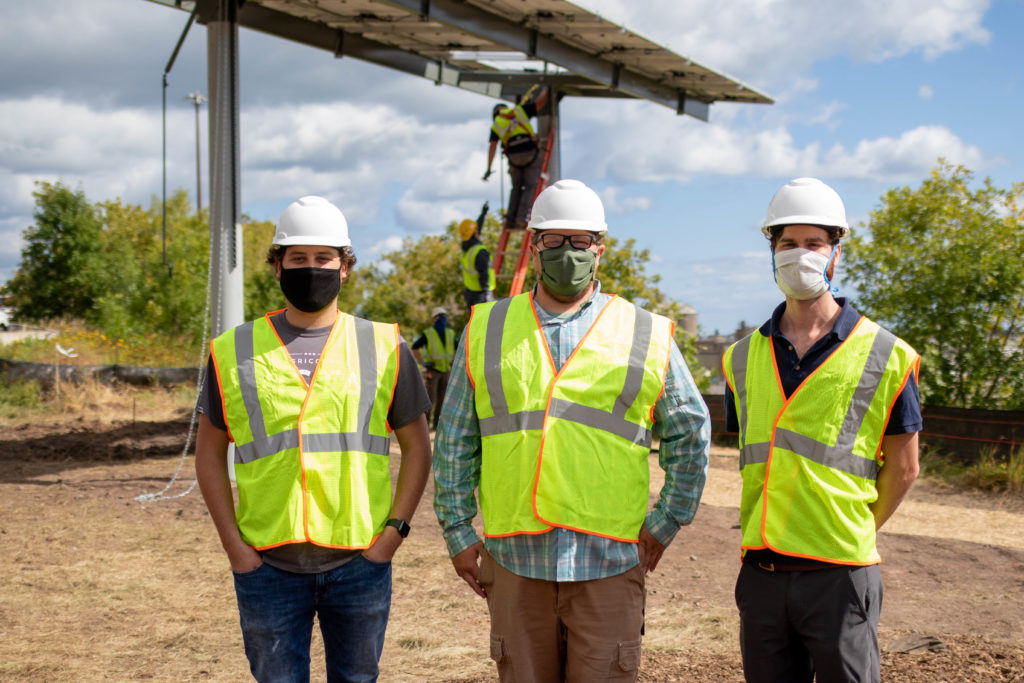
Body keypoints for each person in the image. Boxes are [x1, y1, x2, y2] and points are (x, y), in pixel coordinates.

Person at [434, 179, 711, 682]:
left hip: (607, 561)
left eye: (579, 242)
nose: (567, 252)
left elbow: (690, 432)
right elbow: (455, 437)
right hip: (515, 560)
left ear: (599, 250)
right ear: (534, 247)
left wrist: (667, 521)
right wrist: (457, 530)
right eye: (554, 241)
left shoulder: (644, 331)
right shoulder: (487, 328)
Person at [194, 195, 432, 683]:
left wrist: (392, 537)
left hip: (360, 561)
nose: (311, 268)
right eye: (297, 258)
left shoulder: (384, 345)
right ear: (277, 265)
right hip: (267, 564)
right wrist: (235, 549)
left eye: (323, 258)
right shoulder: (232, 350)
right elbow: (209, 456)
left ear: (344, 267)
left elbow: (418, 448)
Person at [722, 178, 923, 683]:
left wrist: (851, 533)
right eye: (787, 243)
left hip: (840, 577)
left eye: (814, 243)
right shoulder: (740, 359)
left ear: (836, 250)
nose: (799, 255)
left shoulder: (887, 354)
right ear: (771, 250)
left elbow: (905, 468)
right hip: (761, 576)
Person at [483, 86, 550, 231]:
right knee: (530, 186)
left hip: (513, 158)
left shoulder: (496, 124)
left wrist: (488, 168)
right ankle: (521, 219)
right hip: (529, 153)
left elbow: (493, 146)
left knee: (517, 187)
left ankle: (511, 219)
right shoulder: (518, 112)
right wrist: (547, 87)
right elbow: (539, 103)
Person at [411, 306, 456, 431]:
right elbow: (415, 348)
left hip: (446, 371)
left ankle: (437, 426)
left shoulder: (450, 334)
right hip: (433, 371)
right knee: (430, 399)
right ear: (435, 319)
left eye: (444, 317)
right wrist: (423, 363)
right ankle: (424, 426)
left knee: (443, 400)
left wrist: (454, 360)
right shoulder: (428, 334)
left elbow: (458, 346)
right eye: (440, 316)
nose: (442, 319)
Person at [459, 201, 496, 309]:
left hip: (470, 293)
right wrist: (487, 293)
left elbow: (476, 228)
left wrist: (483, 214)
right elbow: (483, 274)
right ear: (474, 233)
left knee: (474, 324)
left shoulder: (466, 249)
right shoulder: (480, 252)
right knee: (487, 324)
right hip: (481, 295)